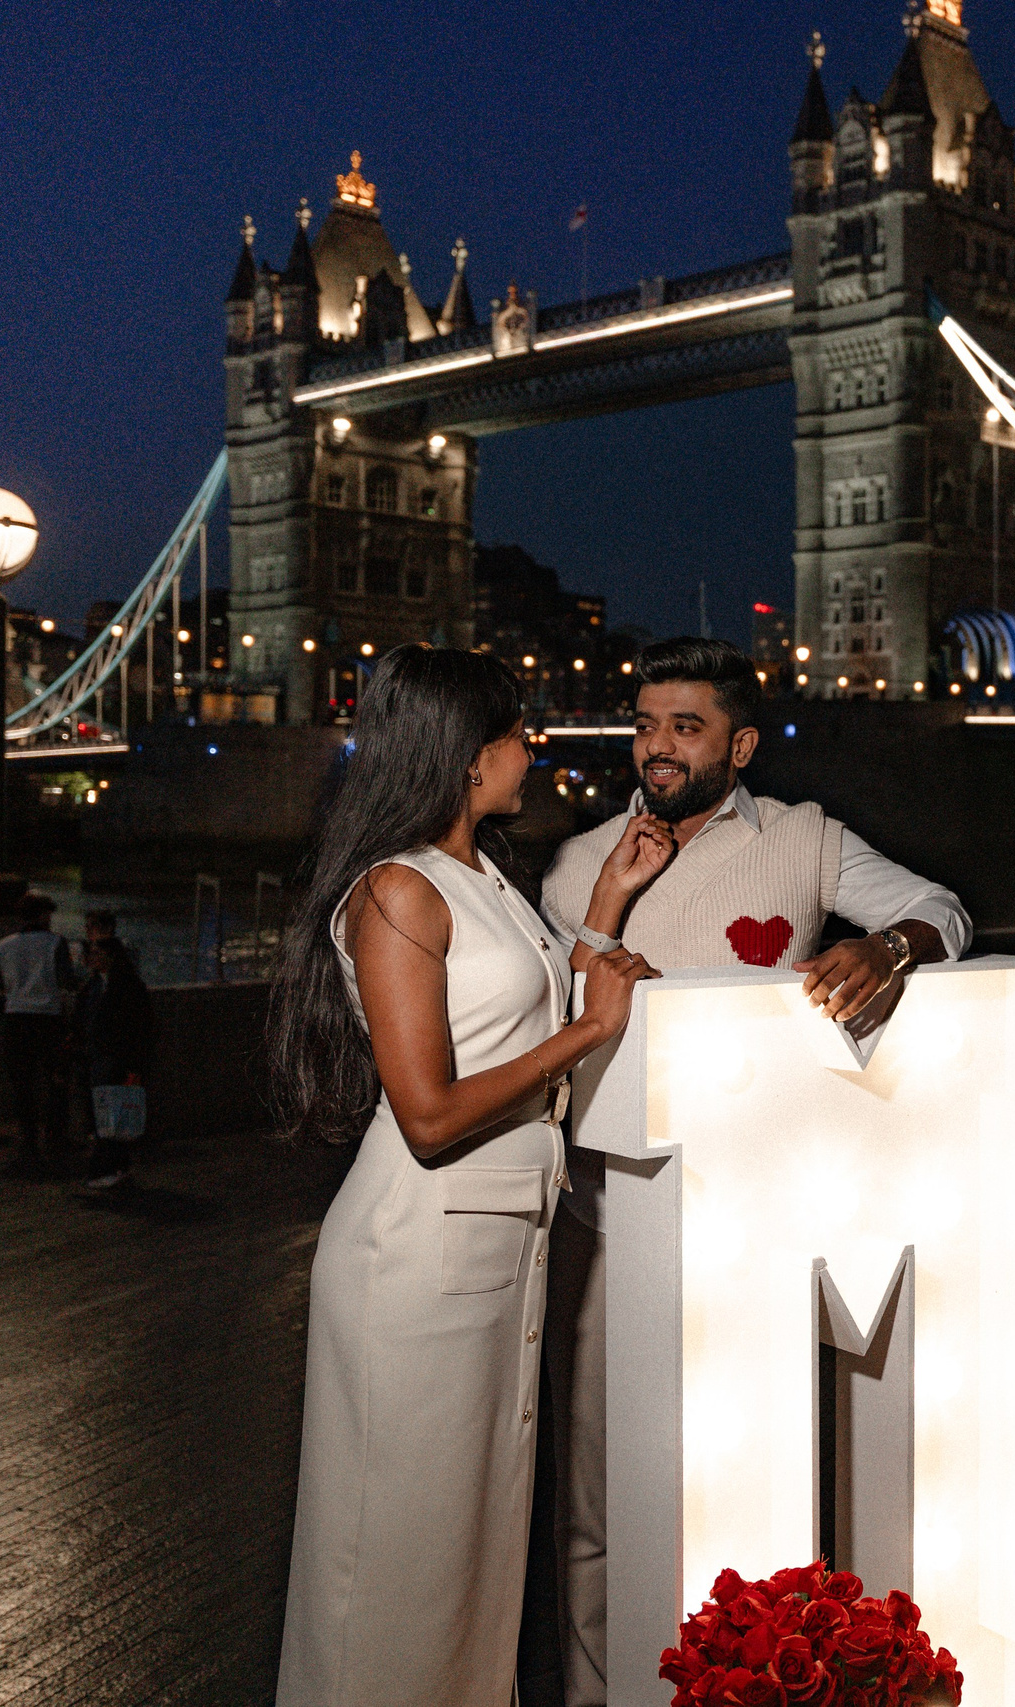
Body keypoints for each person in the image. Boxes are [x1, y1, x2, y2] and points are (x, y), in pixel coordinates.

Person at [535, 636, 970, 1707]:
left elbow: (946, 911)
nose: (658, 747)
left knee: (767, 1478)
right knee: (597, 1496)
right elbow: (549, 1016)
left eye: (686, 727)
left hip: (767, 1221)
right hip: (610, 1218)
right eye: (644, 724)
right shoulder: (578, 861)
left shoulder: (806, 840)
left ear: (741, 744)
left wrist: (890, 951)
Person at [269, 645, 666, 1707]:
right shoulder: (397, 891)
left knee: (473, 1558)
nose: (528, 748)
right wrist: (588, 1031)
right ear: (460, 754)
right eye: (511, 733)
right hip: (415, 1259)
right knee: (389, 1562)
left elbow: (512, 1010)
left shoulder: (490, 874)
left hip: (500, 1253)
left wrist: (610, 908)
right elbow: (431, 1112)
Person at [0, 893, 77, 1174]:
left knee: (22, 1087)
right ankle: (55, 1139)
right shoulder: (55, 943)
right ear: (41, 915)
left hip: (15, 1022)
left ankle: (28, 1146)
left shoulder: (4, 946)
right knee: (57, 1081)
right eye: (48, 914)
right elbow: (68, 981)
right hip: (48, 1022)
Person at [76, 937, 154, 1195]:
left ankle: (102, 1171)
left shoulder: (121, 987)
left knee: (108, 1116)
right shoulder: (98, 985)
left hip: (115, 1060)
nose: (92, 957)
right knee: (111, 1115)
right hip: (100, 1060)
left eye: (97, 952)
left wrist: (134, 1067)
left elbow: (139, 1029)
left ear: (111, 955)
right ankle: (117, 1167)